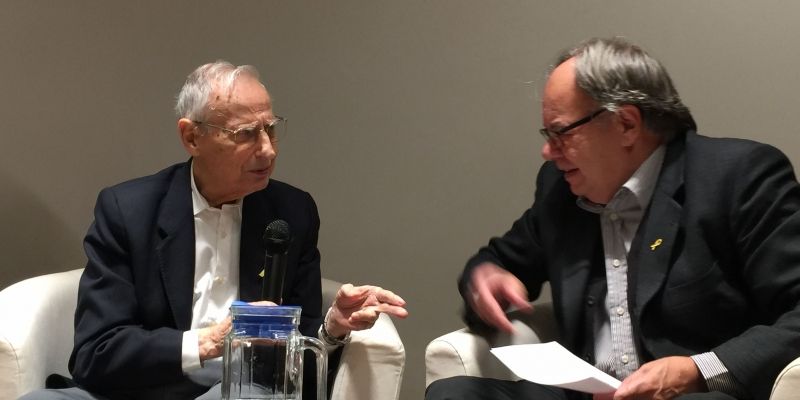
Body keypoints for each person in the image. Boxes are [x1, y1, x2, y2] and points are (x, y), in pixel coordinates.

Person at [425, 37, 800, 400]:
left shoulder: (738, 177)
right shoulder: (561, 190)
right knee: (454, 391)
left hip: (694, 393)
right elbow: (498, 261)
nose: (547, 151)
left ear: (626, 124)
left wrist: (696, 370)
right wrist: (487, 279)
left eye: (561, 132)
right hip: (589, 394)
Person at [21, 60, 408, 400]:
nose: (268, 150)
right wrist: (207, 342)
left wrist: (332, 327)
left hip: (242, 390)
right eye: (246, 134)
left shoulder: (292, 212)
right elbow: (96, 353)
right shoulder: (129, 211)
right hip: (142, 386)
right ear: (192, 137)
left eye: (271, 129)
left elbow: (297, 361)